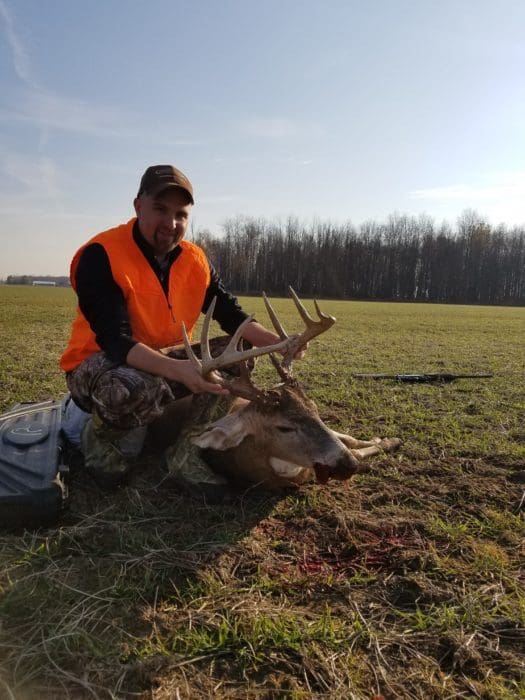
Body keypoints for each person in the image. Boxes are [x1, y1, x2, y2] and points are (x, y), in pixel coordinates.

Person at [60, 164, 291, 496]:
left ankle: (186, 453)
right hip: (100, 364)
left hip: (163, 361)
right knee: (129, 389)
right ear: (138, 205)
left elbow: (228, 311)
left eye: (181, 215)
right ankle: (100, 449)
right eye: (160, 209)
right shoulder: (102, 255)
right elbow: (115, 340)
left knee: (237, 354)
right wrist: (179, 370)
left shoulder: (195, 260)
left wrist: (277, 343)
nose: (171, 224)